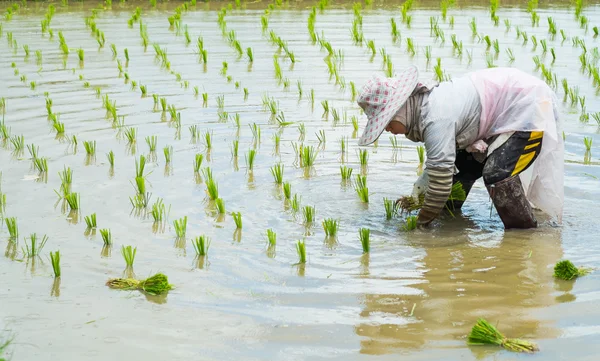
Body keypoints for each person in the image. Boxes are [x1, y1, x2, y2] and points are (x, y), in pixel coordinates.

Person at [356, 66, 564, 229]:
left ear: (399, 111)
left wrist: (420, 225)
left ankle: (524, 235)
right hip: (502, 109)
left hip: (531, 106)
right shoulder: (426, 109)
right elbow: (441, 168)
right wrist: (420, 192)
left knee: (497, 174)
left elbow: (439, 182)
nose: (388, 130)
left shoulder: (435, 118)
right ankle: (450, 221)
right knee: (460, 167)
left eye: (388, 124)